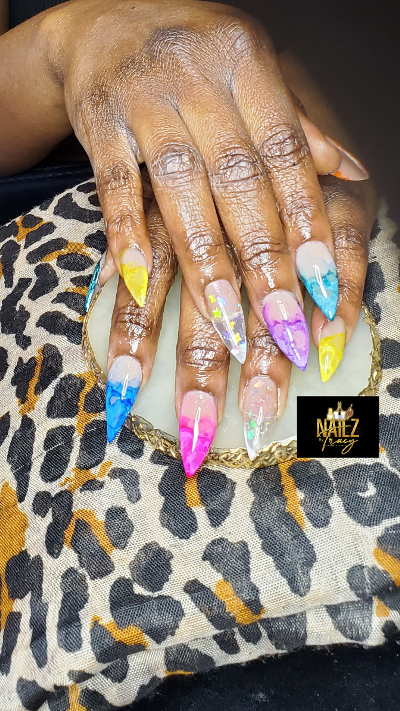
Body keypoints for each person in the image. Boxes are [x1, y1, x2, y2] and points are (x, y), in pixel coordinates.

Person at [0, 0, 375, 474]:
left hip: (337, 197)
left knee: (356, 453)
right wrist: (62, 46)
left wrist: (342, 104)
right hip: (75, 223)